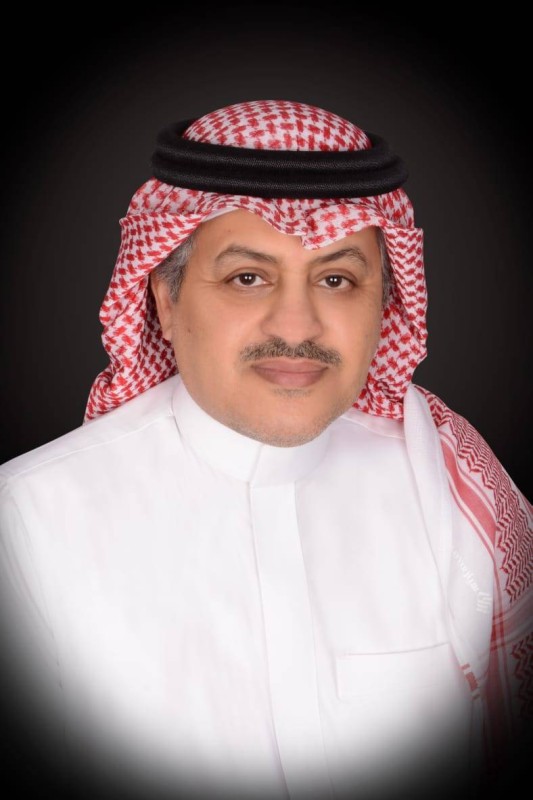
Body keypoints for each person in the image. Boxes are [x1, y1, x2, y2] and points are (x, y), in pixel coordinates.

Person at [0, 100, 530, 800]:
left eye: (336, 279)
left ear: (383, 303)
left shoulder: (451, 491)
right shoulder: (27, 522)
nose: (297, 326)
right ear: (165, 299)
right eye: (247, 277)